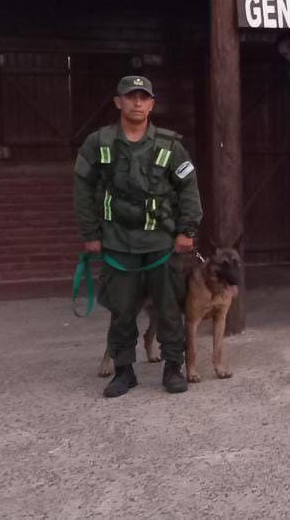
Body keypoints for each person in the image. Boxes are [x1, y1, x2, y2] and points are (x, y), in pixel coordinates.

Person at [73, 75, 203, 398]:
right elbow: (82, 189)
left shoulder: (170, 145)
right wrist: (90, 233)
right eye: (130, 97)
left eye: (143, 97)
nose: (137, 102)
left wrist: (187, 230)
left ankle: (173, 366)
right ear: (118, 102)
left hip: (160, 242)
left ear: (152, 104)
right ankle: (123, 370)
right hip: (117, 242)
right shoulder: (98, 143)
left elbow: (188, 188)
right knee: (122, 308)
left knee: (169, 308)